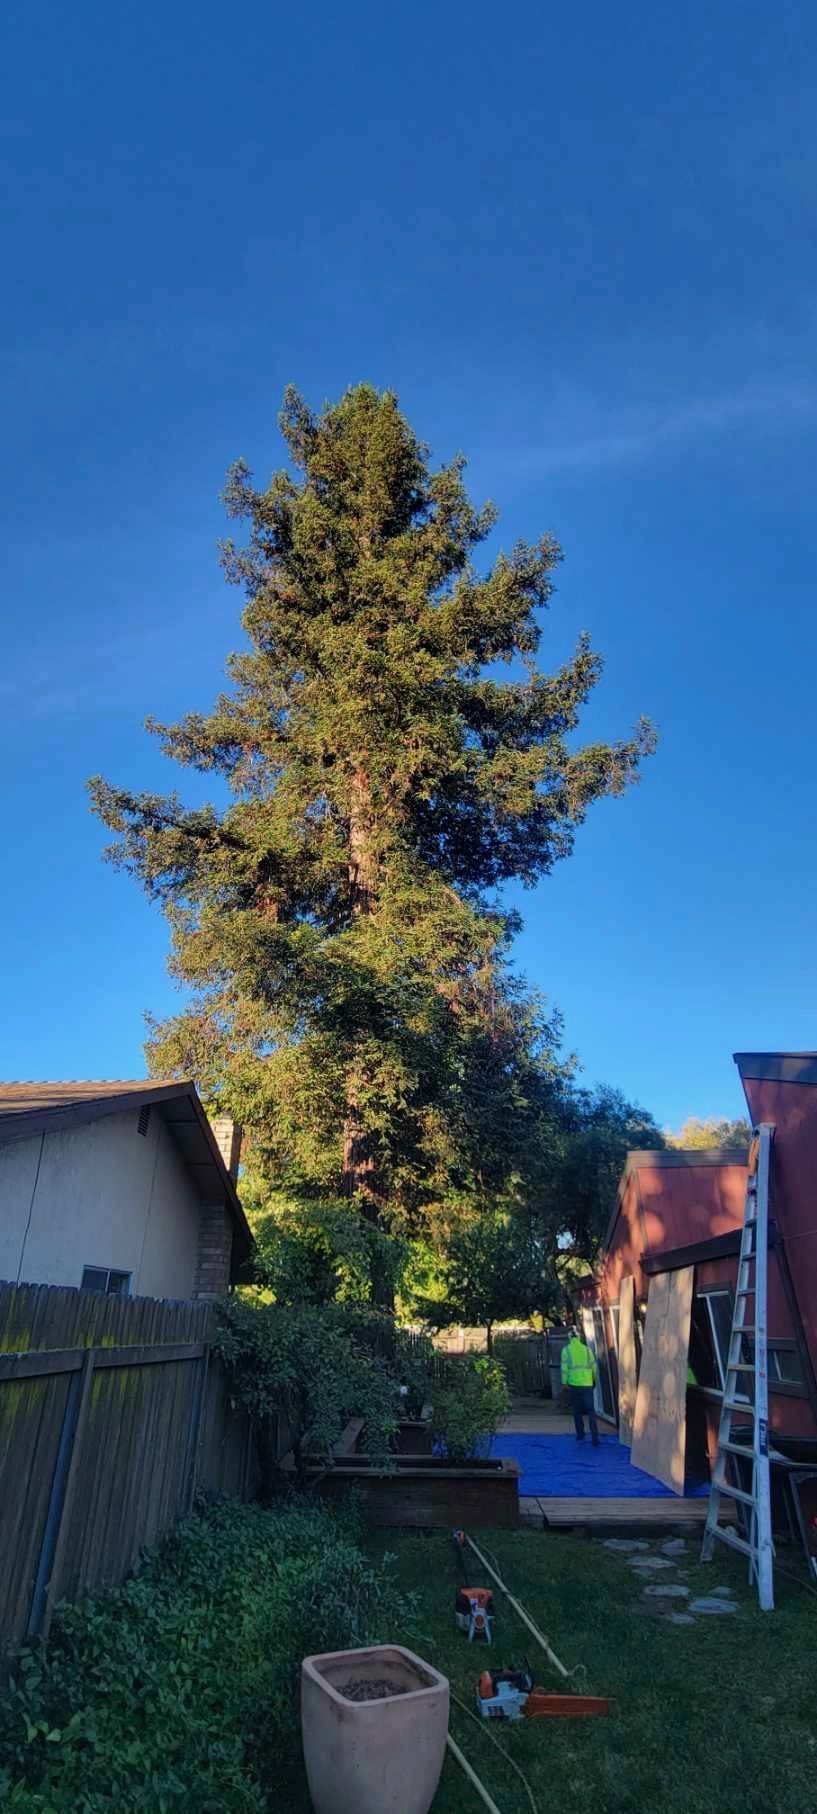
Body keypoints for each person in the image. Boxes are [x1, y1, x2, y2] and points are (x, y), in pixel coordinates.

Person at [561, 1326, 600, 1445]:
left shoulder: (566, 1351)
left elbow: (564, 1369)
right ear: (579, 1337)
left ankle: (580, 1435)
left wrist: (564, 1383)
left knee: (576, 1411)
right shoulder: (587, 1350)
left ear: (569, 1337)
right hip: (587, 1385)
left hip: (574, 1385)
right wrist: (595, 1381)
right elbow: (594, 1367)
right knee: (590, 1411)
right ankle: (595, 1437)